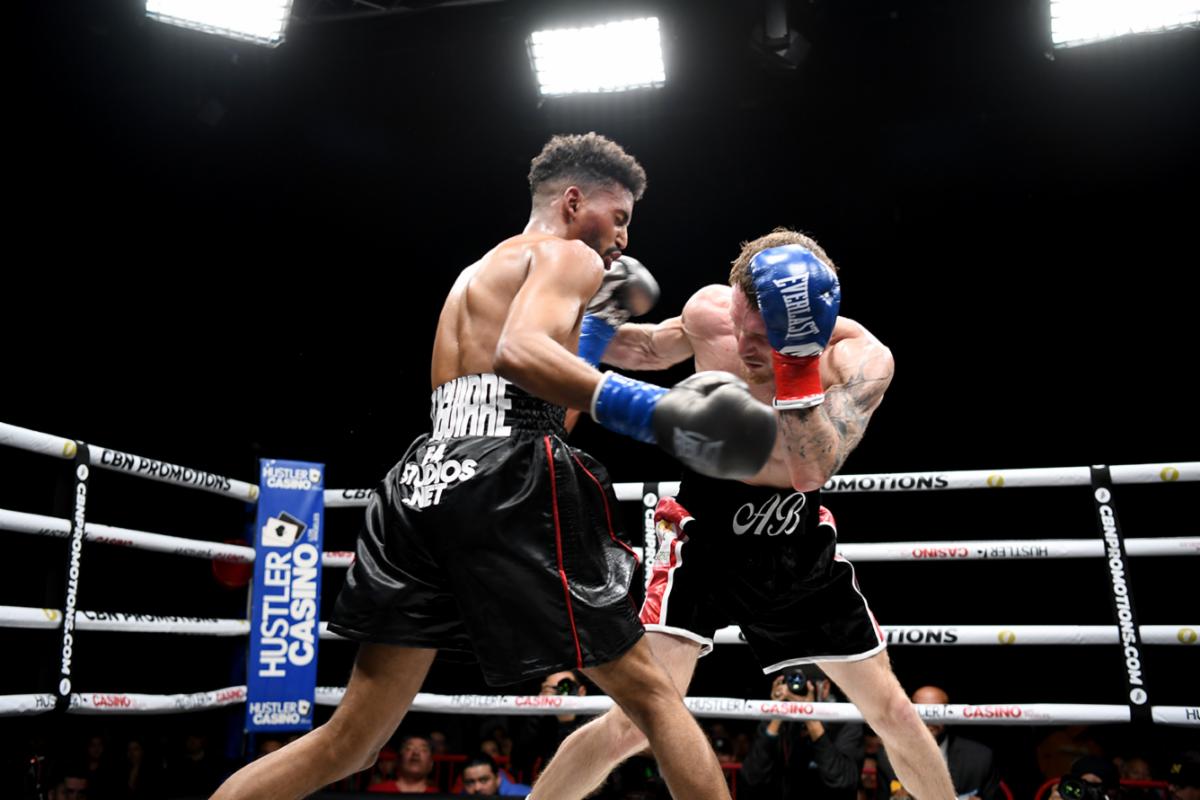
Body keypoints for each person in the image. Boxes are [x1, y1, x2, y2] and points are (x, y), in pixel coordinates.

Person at [211, 132, 776, 800]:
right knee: (652, 697)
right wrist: (654, 410)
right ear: (573, 202)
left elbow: (527, 401)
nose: (625, 237)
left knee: (351, 740)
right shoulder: (568, 256)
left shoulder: (479, 273)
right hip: (507, 477)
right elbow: (520, 354)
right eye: (619, 216)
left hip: (425, 478)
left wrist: (596, 334)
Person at [530, 227, 955, 800]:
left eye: (763, 336)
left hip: (793, 542)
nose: (745, 345)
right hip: (703, 536)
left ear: (808, 327)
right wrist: (592, 320)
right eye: (740, 326)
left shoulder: (858, 358)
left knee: (894, 713)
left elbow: (812, 469)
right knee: (633, 722)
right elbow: (649, 349)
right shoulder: (711, 312)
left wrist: (797, 363)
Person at [741, 666, 863, 800]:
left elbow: (843, 780)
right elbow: (752, 777)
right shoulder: (779, 723)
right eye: (792, 683)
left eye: (805, 683)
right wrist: (776, 714)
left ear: (825, 688)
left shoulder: (844, 722)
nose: (798, 689)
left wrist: (810, 718)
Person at [875, 686, 1002, 800]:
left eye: (936, 711)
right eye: (921, 711)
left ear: (949, 714)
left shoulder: (980, 758)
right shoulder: (888, 757)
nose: (928, 719)